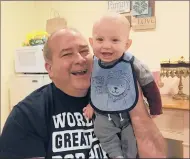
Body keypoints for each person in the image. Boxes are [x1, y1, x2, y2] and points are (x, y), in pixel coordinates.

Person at [0, 28, 108, 158]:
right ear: (50, 69)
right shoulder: (26, 116)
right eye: (67, 54)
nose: (80, 59)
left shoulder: (114, 97)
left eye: (84, 51)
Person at [83, 13, 163, 158]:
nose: (106, 45)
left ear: (127, 44)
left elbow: (148, 82)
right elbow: (96, 86)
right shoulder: (93, 64)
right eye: (100, 39)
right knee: (101, 129)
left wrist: (155, 106)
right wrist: (92, 105)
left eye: (115, 40)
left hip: (127, 113)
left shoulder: (132, 63)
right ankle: (116, 155)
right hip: (104, 113)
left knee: (131, 136)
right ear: (91, 42)